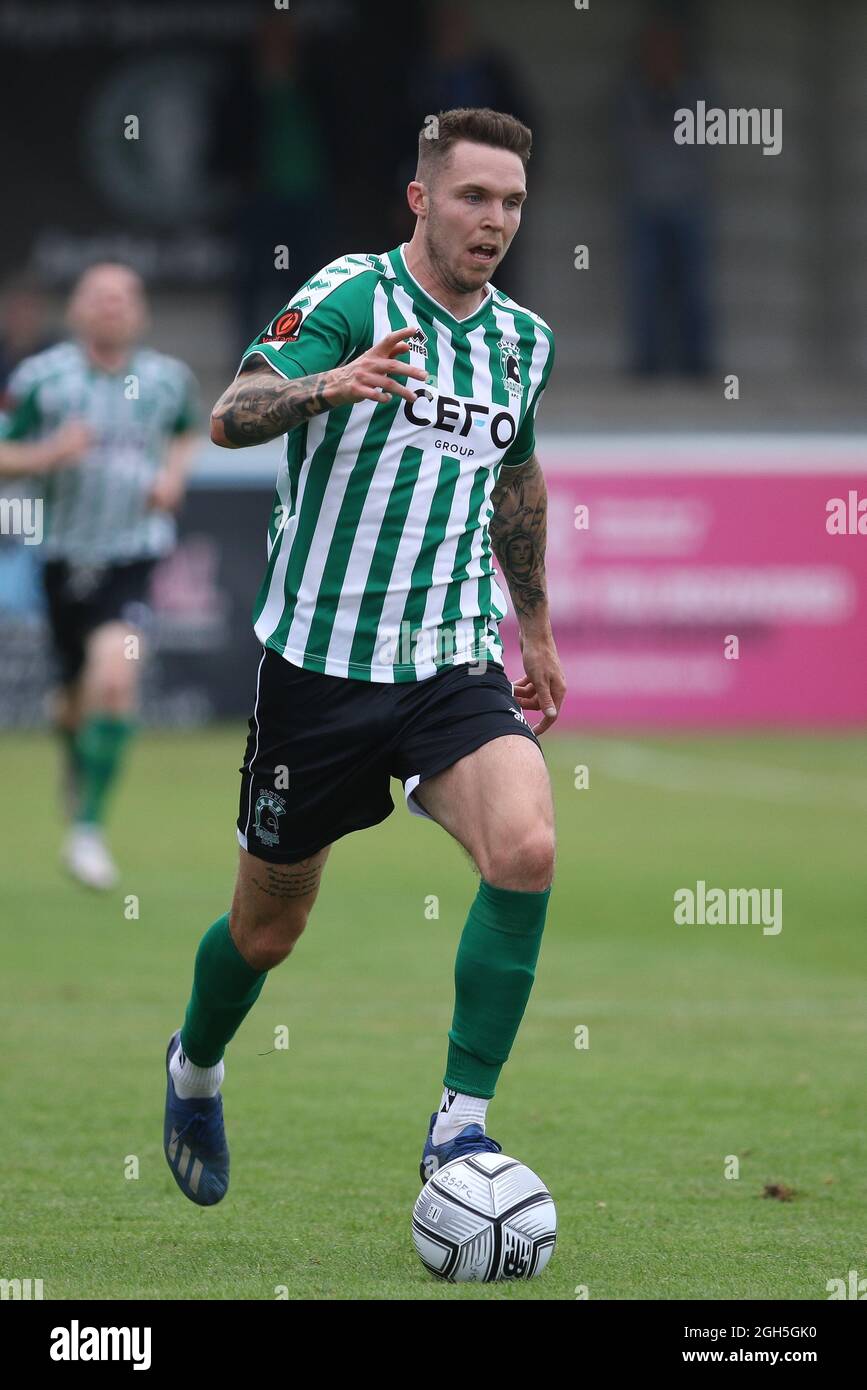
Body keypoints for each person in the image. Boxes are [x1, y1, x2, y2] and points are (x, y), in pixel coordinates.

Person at [163, 107, 565, 1207]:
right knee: (268, 927)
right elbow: (231, 413)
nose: (495, 220)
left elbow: (514, 476)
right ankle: (195, 1061)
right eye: (475, 196)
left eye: (513, 203)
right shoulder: (351, 296)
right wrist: (323, 387)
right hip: (320, 669)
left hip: (448, 663)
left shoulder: (522, 343)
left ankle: (461, 1133)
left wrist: (532, 623)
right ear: (422, 199)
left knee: (526, 844)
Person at [0, 263, 201, 888]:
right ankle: (74, 759)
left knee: (116, 679)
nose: (112, 307)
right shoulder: (42, 380)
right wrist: (48, 454)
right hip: (63, 558)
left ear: (139, 311)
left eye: (124, 298)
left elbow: (185, 432)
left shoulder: (167, 380)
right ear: (80, 308)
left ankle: (86, 831)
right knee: (69, 706)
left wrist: (173, 477)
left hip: (133, 557)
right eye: (99, 297)